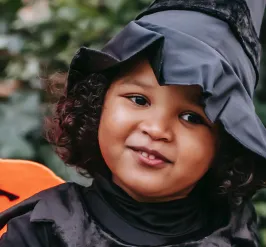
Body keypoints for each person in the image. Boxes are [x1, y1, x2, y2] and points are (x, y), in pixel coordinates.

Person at [1, 0, 266, 246]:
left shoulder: (235, 234)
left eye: (191, 117)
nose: (156, 129)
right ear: (98, 104)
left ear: (225, 144)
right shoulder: (42, 231)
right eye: (139, 100)